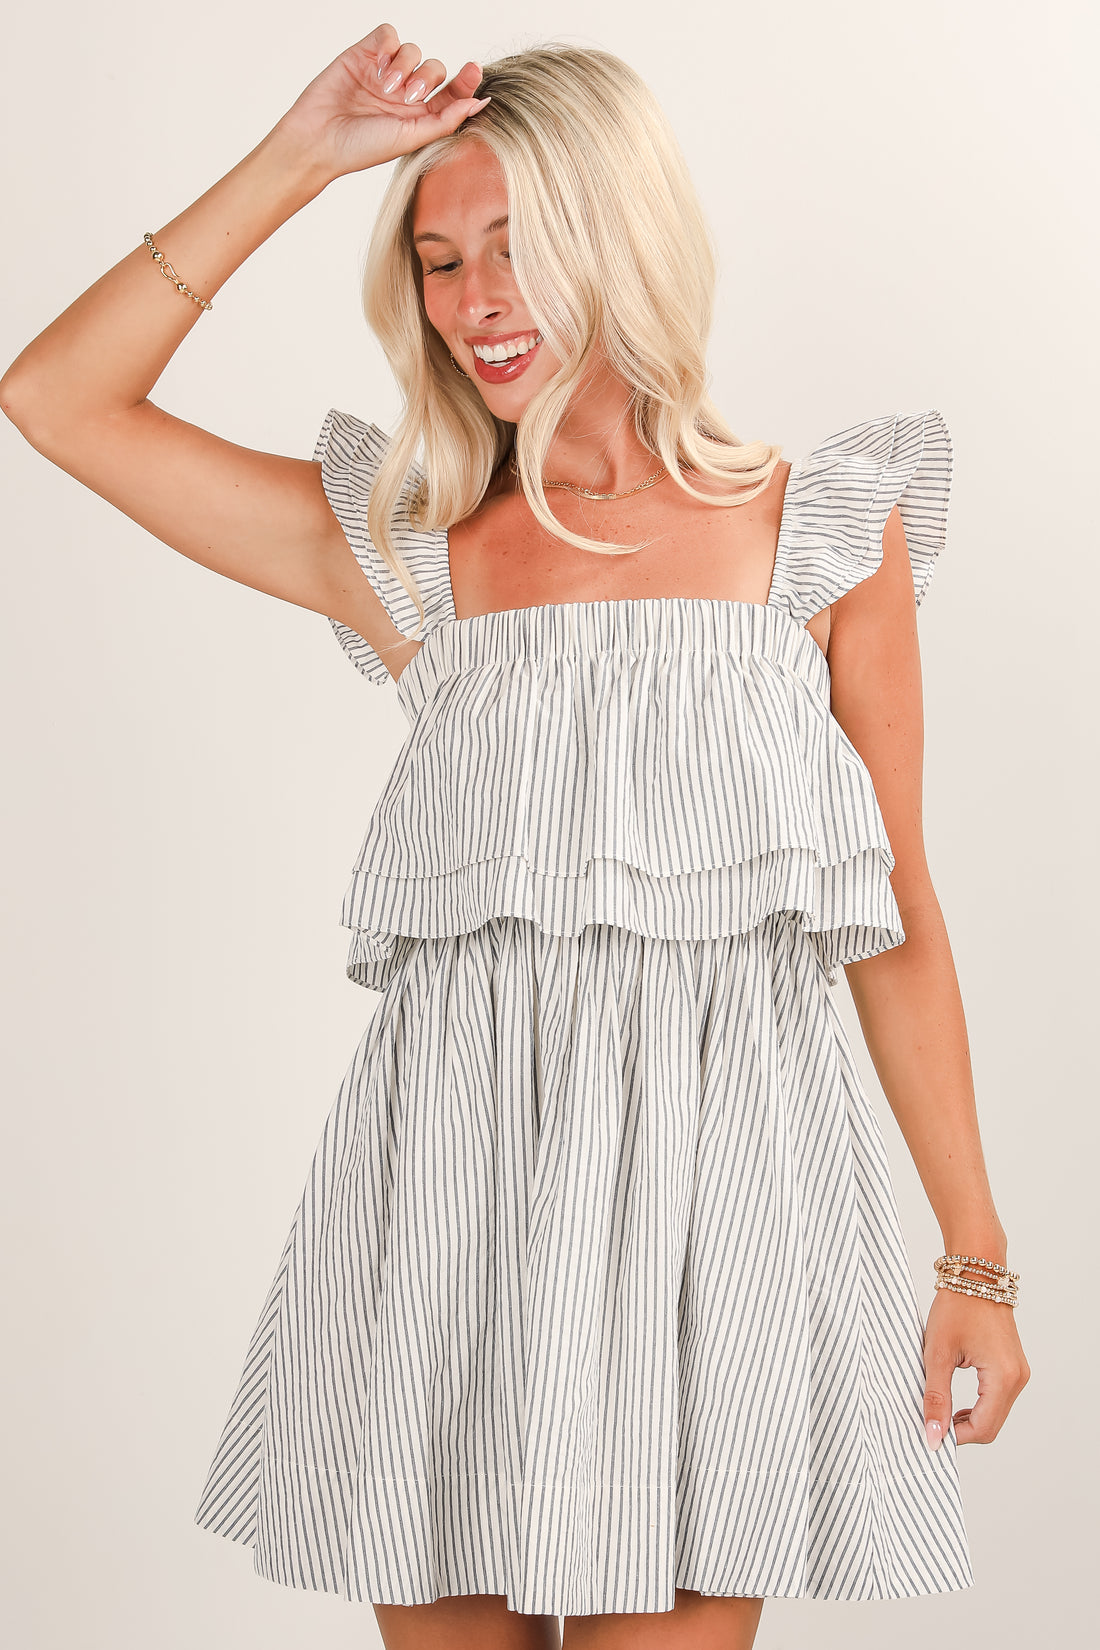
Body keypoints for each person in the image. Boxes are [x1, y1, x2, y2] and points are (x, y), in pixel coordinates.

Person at [0, 23, 1030, 1650]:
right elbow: (55, 399)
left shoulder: (824, 532)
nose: (475, 299)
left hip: (730, 1213)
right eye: (437, 258)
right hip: (450, 1206)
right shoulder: (410, 548)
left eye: (519, 248)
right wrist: (298, 153)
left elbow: (897, 918)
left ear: (623, 241)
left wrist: (976, 1259)